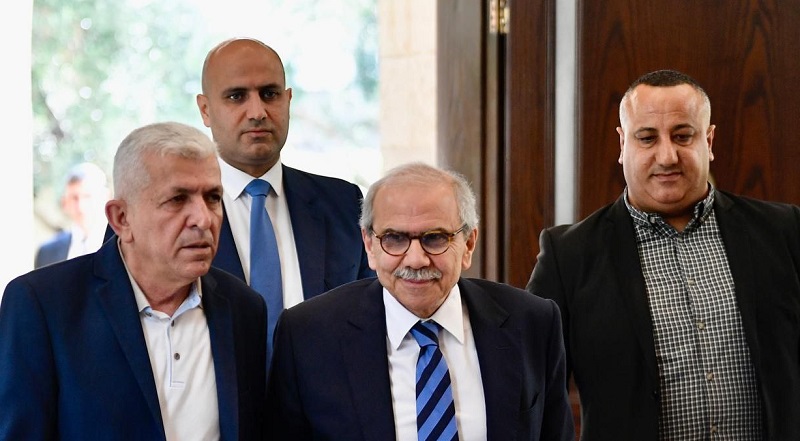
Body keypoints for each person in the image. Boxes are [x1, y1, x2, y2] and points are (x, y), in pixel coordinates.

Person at [526, 69, 800, 440]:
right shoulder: (569, 257)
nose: (667, 156)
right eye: (647, 138)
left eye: (683, 136)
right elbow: (531, 390)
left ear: (709, 140)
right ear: (623, 143)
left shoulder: (784, 232)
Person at [266, 162, 575, 440]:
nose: (416, 259)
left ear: (468, 244)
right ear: (370, 245)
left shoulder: (532, 322)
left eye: (435, 238)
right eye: (395, 239)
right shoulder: (308, 335)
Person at [0, 122, 268, 440]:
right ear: (121, 218)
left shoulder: (244, 308)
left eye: (212, 197)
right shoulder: (42, 305)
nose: (203, 218)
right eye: (178, 199)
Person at [196, 37, 374, 361]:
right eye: (237, 96)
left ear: (288, 99)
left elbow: (372, 318)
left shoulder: (344, 204)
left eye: (270, 94)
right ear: (205, 110)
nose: (257, 112)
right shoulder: (160, 212)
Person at [34, 161, 110, 268]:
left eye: (87, 196)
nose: (81, 205)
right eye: (74, 198)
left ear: (105, 197)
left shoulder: (123, 247)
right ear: (64, 202)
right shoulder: (47, 253)